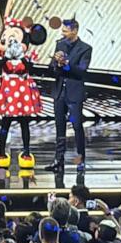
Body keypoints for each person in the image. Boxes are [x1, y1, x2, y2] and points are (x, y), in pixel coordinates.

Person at [0, 17, 46, 172]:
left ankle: (27, 152)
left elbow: (30, 68)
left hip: (22, 91)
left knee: (24, 123)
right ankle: (1, 153)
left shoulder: (27, 55)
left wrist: (20, 55)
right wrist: (7, 56)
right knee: (5, 124)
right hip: (8, 90)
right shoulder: (2, 54)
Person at [46, 19, 92, 172]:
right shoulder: (60, 44)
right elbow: (52, 68)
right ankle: (58, 161)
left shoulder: (85, 49)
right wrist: (57, 64)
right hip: (59, 92)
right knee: (60, 127)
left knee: (77, 126)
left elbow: (81, 71)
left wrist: (65, 64)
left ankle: (80, 160)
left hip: (74, 93)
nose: (63, 33)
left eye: (65, 31)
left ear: (75, 31)